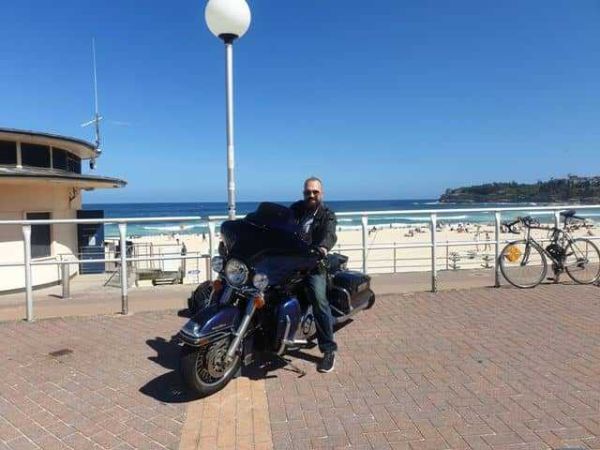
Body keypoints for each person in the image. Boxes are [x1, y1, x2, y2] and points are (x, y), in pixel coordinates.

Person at [290, 177, 338, 373]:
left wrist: (323, 248)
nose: (311, 195)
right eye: (307, 192)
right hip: (291, 261)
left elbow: (330, 234)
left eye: (315, 192)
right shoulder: (295, 209)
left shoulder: (327, 214)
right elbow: (278, 223)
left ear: (321, 194)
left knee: (319, 301)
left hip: (314, 264)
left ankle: (328, 350)